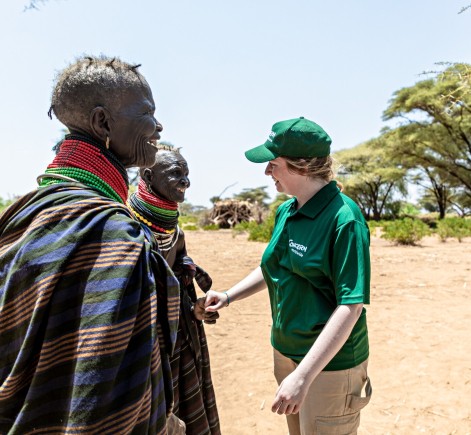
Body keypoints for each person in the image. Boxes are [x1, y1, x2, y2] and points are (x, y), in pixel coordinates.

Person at [0, 55, 180, 434]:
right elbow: (107, 402)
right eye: (148, 113)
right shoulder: (118, 237)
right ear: (103, 123)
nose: (158, 125)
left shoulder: (22, 212)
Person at [205, 117, 372, 435]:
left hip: (328, 366)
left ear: (303, 166)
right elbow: (273, 268)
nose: (267, 171)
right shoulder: (287, 211)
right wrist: (228, 296)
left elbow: (350, 306)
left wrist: (304, 376)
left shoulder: (344, 220)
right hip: (286, 353)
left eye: (273, 164)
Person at [128, 145, 221, 435]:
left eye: (187, 174)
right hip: (142, 342)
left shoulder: (175, 232)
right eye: (176, 174)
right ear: (148, 176)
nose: (186, 182)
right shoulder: (126, 226)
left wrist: (194, 307)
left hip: (176, 336)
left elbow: (179, 280)